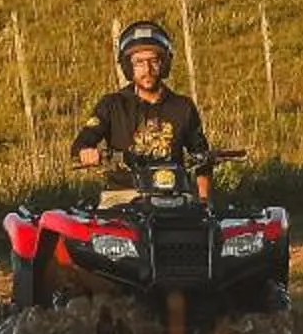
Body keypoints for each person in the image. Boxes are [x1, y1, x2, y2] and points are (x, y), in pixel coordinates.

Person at [73, 20, 211, 200]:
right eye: (139, 62)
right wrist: (87, 152)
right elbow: (81, 142)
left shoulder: (183, 107)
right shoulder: (112, 105)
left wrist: (203, 201)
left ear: (165, 63)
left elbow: (202, 158)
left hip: (174, 194)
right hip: (122, 196)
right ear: (128, 66)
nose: (147, 69)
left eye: (154, 61)